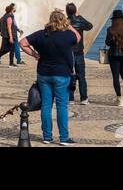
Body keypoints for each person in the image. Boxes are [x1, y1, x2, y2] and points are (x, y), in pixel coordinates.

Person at [22, 9, 80, 143]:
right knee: (62, 106)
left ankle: (47, 137)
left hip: (44, 74)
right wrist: (69, 25)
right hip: (62, 75)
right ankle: (64, 138)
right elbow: (78, 37)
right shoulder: (68, 35)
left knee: (46, 105)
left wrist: (35, 55)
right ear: (63, 21)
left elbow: (22, 43)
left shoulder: (42, 34)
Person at [104, 9, 123, 105]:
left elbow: (107, 43)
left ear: (113, 19)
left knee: (115, 77)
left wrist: (113, 40)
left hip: (114, 55)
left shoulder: (110, 29)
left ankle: (119, 99)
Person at [66, 2, 93, 103]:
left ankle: (70, 98)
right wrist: (80, 18)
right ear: (75, 11)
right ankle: (84, 98)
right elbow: (90, 26)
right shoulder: (79, 20)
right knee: (81, 76)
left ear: (67, 11)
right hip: (79, 52)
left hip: (68, 52)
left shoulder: (65, 21)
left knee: (69, 75)